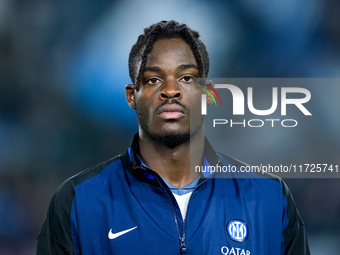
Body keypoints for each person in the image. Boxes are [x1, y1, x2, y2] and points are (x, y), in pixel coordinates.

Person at [37, 20, 310, 255]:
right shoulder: (78, 201)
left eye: (186, 78)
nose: (171, 91)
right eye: (154, 79)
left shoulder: (271, 198)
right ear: (132, 96)